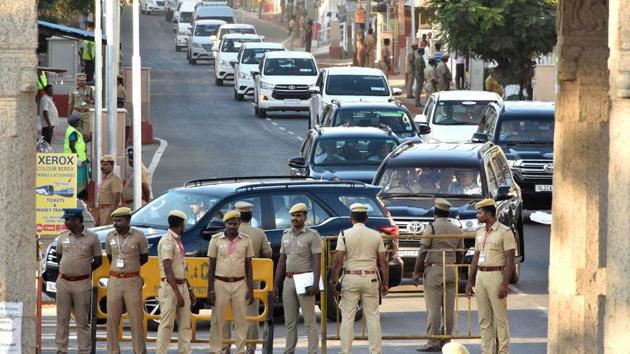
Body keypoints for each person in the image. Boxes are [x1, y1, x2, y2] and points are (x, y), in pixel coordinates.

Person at [331, 203, 389, 354]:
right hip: (371, 278)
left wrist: (334, 280)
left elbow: (338, 261)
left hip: (350, 277)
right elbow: (383, 261)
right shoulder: (376, 235)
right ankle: (375, 351)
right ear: (366, 218)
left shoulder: (344, 234)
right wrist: (385, 283)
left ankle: (346, 351)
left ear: (351, 218)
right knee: (372, 317)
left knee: (348, 317)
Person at [412, 199, 464, 352]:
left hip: (434, 270)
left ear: (435, 212)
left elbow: (423, 252)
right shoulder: (457, 229)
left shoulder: (432, 228)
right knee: (448, 309)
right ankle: (446, 340)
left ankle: (433, 341)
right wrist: (458, 272)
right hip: (451, 269)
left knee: (433, 309)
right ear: (448, 213)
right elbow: (460, 254)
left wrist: (416, 272)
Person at [466, 199, 516, 354]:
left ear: (489, 214)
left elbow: (510, 260)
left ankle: (503, 351)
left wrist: (504, 284)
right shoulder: (480, 233)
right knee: (484, 319)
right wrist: (470, 281)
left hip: (496, 276)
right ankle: (486, 351)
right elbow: (475, 258)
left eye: (480, 213)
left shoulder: (505, 232)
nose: (477, 216)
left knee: (500, 320)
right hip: (481, 276)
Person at [222, 201, 272, 354]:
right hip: (252, 279)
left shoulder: (228, 232)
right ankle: (250, 347)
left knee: (227, 315)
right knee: (251, 315)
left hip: (229, 278)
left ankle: (225, 347)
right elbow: (268, 254)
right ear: (251, 215)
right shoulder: (258, 233)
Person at [273, 203, 321, 354]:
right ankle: (289, 351)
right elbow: (281, 261)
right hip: (288, 280)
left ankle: (312, 351)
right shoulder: (285, 234)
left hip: (305, 279)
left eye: (299, 215)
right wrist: (276, 285)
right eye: (293, 216)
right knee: (290, 322)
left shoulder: (312, 235)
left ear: (305, 217)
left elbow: (316, 261)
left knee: (309, 321)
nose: (295, 218)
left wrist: (315, 284)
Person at [55, 208, 102, 354]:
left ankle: (84, 350)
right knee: (62, 318)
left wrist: (83, 271)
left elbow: (98, 260)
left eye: (68, 219)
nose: (65, 222)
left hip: (82, 283)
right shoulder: (62, 237)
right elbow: (59, 257)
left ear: (76, 220)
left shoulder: (92, 238)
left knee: (82, 320)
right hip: (63, 282)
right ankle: (61, 349)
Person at [207, 210, 255, 354]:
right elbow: (211, 266)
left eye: (235, 223)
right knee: (217, 320)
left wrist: (251, 289)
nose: (233, 226)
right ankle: (215, 350)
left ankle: (240, 350)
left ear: (240, 224)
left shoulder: (246, 240)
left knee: (241, 321)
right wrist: (210, 290)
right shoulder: (216, 240)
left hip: (240, 284)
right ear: (225, 224)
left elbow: (249, 266)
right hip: (220, 283)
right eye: (230, 224)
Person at [105, 207, 149, 354]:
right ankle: (113, 351)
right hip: (114, 280)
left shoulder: (139, 236)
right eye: (114, 221)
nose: (115, 224)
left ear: (128, 220)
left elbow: (144, 258)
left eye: (119, 220)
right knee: (112, 319)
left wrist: (130, 268)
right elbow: (111, 258)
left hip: (132, 280)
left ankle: (139, 351)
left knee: (136, 318)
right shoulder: (110, 236)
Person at [156, 210, 193, 354]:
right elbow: (167, 268)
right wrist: (177, 294)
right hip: (171, 287)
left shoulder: (177, 240)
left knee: (185, 325)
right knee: (166, 325)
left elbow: (180, 269)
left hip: (181, 285)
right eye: (183, 224)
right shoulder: (167, 241)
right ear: (180, 224)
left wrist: (189, 290)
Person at [64, 114, 89, 199]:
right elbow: (72, 145)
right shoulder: (73, 132)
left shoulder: (72, 130)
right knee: (79, 176)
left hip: (81, 157)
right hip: (78, 159)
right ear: (75, 122)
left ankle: (81, 192)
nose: (79, 123)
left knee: (81, 175)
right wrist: (76, 156)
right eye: (78, 121)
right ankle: (79, 193)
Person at [96, 155, 122, 226]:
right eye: (102, 165)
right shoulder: (105, 178)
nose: (102, 167)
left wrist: (111, 218)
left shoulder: (115, 178)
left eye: (105, 165)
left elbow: (116, 199)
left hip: (108, 211)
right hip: (102, 210)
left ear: (112, 165)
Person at [68, 73, 94, 142]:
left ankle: (83, 142)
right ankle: (79, 145)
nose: (82, 82)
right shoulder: (73, 90)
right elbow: (70, 103)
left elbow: (96, 101)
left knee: (87, 133)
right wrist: (69, 115)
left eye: (83, 80)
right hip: (76, 112)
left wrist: (90, 101)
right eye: (80, 80)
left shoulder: (90, 89)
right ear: (77, 81)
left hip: (86, 113)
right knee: (76, 131)